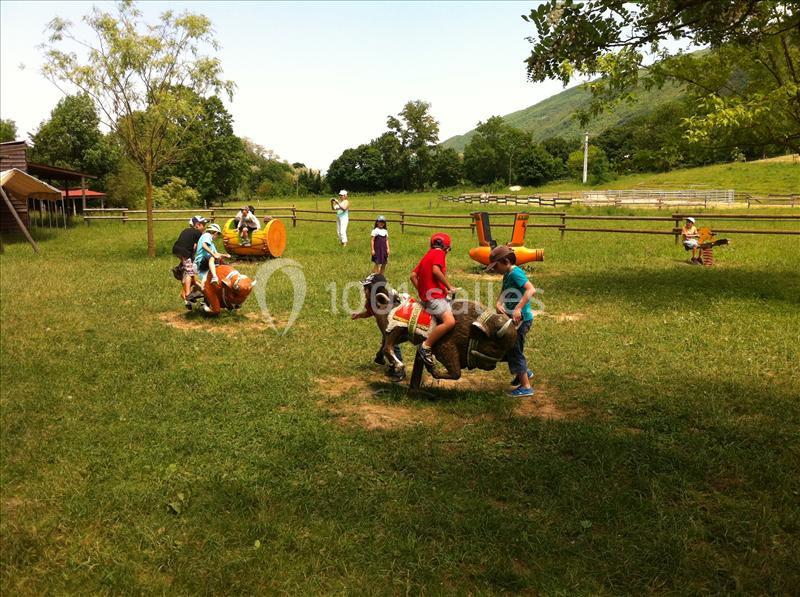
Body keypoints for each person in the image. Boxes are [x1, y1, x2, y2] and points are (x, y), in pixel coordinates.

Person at [487, 245, 536, 397]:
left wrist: (518, 308)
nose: (495, 269)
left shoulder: (516, 273)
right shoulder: (507, 274)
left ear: (506, 261)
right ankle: (524, 372)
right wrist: (498, 303)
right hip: (512, 320)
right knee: (507, 347)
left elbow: (531, 289)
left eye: (496, 266)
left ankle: (526, 387)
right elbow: (504, 291)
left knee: (514, 350)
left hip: (521, 320)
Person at [411, 233, 458, 367]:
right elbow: (436, 271)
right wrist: (449, 287)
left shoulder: (428, 254)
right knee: (450, 322)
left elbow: (413, 275)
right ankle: (426, 346)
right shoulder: (439, 253)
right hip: (435, 298)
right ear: (446, 247)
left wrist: (422, 291)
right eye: (448, 249)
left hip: (429, 297)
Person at [172, 216, 207, 309]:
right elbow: (200, 246)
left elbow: (192, 246)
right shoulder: (198, 233)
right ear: (197, 225)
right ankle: (188, 294)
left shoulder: (187, 230)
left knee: (190, 271)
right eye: (203, 225)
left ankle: (180, 268)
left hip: (177, 250)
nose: (205, 227)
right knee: (189, 272)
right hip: (184, 252)